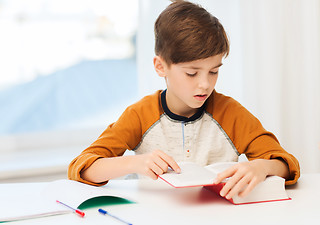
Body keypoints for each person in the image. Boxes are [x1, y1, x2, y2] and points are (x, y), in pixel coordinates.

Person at [68, 0, 300, 200]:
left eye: (213, 71)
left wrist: (262, 167)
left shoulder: (231, 113)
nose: (205, 84)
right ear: (161, 67)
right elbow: (82, 167)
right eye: (192, 73)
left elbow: (287, 165)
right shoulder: (140, 115)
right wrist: (132, 164)